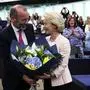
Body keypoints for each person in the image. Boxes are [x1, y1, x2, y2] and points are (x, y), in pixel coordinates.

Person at [0, 4, 36, 90]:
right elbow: (7, 61)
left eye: (28, 19)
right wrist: (24, 77)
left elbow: (33, 49)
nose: (26, 22)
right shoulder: (3, 35)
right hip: (12, 81)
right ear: (13, 19)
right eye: (23, 20)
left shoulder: (29, 28)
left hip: (30, 78)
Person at [36, 12, 72, 90]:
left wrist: (51, 75)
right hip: (47, 80)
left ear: (55, 25)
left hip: (61, 82)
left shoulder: (64, 41)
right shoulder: (45, 39)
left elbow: (63, 64)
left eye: (46, 24)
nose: (44, 27)